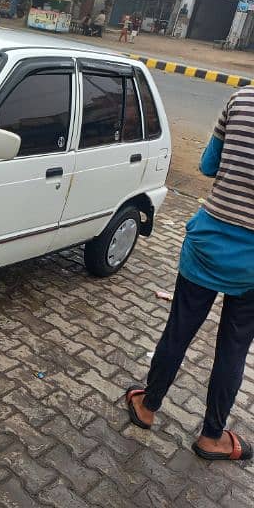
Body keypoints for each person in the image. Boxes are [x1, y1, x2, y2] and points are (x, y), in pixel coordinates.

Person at [126, 84, 254, 462]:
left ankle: (147, 406)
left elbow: (208, 166)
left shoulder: (242, 99)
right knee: (234, 348)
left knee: (178, 331)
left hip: (210, 243)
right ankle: (212, 437)